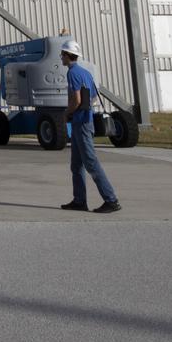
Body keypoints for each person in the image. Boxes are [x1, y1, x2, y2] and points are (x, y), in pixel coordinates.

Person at [59, 38, 121, 214]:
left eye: (62, 54)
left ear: (67, 55)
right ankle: (79, 200)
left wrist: (66, 113)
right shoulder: (86, 72)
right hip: (86, 121)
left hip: (81, 123)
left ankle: (111, 200)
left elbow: (77, 99)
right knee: (76, 164)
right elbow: (93, 97)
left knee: (91, 163)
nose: (60, 57)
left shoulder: (72, 73)